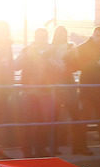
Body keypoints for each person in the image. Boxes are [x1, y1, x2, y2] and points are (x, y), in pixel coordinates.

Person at [15, 27, 64, 157]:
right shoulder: (27, 50)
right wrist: (28, 55)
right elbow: (16, 65)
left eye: (44, 37)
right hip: (29, 92)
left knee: (44, 122)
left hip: (45, 92)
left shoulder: (52, 52)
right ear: (35, 38)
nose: (41, 40)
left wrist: (48, 60)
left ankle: (40, 148)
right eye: (39, 37)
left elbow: (61, 68)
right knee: (27, 122)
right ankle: (27, 150)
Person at [68, 26, 100, 154]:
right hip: (87, 87)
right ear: (93, 35)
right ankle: (81, 146)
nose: (99, 38)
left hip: (98, 87)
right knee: (84, 119)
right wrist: (97, 65)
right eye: (97, 35)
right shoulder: (83, 48)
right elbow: (79, 65)